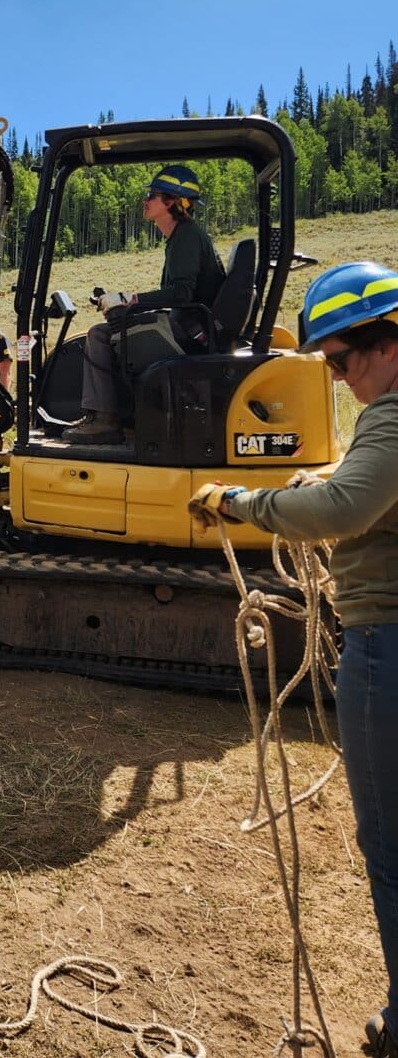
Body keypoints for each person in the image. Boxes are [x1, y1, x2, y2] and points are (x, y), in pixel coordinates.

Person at [189, 260, 398, 1058]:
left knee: (387, 842)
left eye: (342, 361)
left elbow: (346, 508)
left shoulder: (391, 414)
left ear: (385, 343)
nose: (339, 379)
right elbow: (363, 488)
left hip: (385, 643)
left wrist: (243, 501)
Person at [72, 163, 224, 444]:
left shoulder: (187, 237)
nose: (145, 200)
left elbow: (181, 294)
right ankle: (125, 416)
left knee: (100, 335)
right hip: (187, 323)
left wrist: (132, 300)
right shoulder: (181, 237)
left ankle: (105, 420)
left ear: (171, 202)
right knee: (117, 326)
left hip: (190, 329)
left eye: (152, 195)